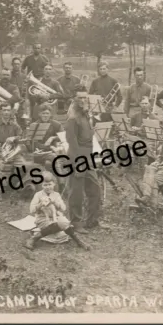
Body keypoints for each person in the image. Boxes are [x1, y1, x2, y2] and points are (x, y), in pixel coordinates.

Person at [65, 87, 103, 232]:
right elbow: (71, 141)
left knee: (95, 189)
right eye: (79, 98)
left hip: (88, 157)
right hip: (77, 158)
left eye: (84, 98)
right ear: (74, 99)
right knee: (76, 192)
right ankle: (76, 223)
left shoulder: (86, 115)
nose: (82, 100)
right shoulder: (73, 118)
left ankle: (92, 220)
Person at [24, 172, 91, 251]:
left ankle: (78, 241)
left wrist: (55, 202)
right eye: (45, 185)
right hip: (42, 219)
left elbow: (64, 208)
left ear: (54, 184)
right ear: (41, 185)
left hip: (55, 217)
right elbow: (31, 210)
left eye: (49, 184)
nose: (48, 187)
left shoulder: (56, 195)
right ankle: (33, 239)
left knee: (65, 222)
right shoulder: (38, 195)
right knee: (58, 225)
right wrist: (40, 204)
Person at [30, 104, 63, 169]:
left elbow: (63, 136)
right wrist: (47, 147)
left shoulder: (56, 124)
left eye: (47, 113)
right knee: (54, 160)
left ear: (50, 114)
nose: (45, 115)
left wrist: (52, 138)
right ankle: (60, 177)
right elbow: (33, 143)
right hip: (39, 153)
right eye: (43, 113)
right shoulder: (34, 125)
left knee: (49, 163)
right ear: (39, 114)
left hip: (53, 152)